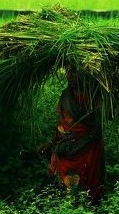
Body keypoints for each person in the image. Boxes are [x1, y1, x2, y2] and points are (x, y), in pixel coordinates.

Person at [38, 66, 105, 203]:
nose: (70, 75)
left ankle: (88, 206)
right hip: (65, 148)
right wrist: (51, 142)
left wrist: (75, 147)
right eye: (68, 72)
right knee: (54, 184)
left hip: (87, 151)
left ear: (84, 73)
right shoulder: (65, 96)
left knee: (86, 192)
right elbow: (61, 127)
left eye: (74, 71)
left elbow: (97, 131)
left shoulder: (92, 96)